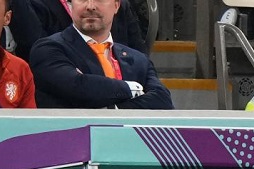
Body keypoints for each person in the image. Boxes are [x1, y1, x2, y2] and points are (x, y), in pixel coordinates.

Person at [28, 0, 172, 108]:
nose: (90, 6)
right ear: (71, 5)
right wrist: (132, 89)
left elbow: (162, 100)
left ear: (116, 5)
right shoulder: (48, 49)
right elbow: (79, 87)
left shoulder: (138, 59)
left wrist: (113, 109)